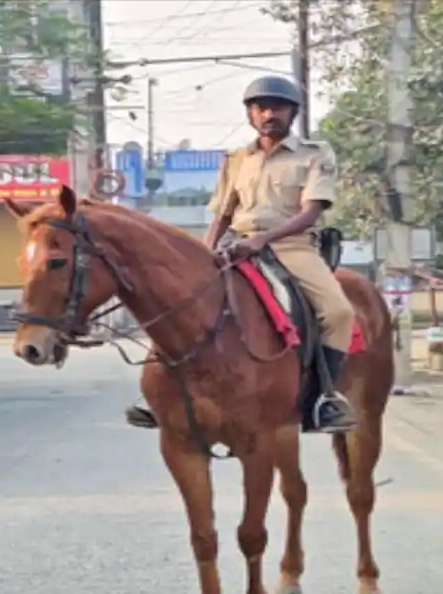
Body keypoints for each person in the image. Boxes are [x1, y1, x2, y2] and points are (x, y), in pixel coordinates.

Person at [126, 75, 356, 433]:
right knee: (179, 300)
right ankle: (159, 393)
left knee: (338, 312)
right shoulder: (236, 159)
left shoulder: (315, 154)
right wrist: (203, 255)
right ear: (250, 114)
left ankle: (324, 398)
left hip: (291, 246)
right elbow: (222, 213)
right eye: (260, 108)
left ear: (292, 113)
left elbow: (310, 212)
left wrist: (263, 240)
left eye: (277, 108)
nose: (269, 114)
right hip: (236, 244)